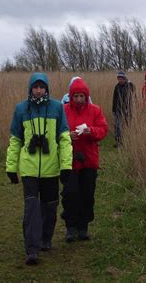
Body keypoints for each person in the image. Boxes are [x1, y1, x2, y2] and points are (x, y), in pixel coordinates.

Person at [5, 72, 72, 265]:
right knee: (32, 208)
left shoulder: (57, 108)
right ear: (30, 88)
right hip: (29, 169)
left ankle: (45, 238)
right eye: (36, 86)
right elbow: (16, 140)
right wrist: (11, 166)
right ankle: (32, 249)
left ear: (47, 88)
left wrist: (66, 165)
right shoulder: (21, 109)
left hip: (52, 168)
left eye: (42, 86)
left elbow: (64, 139)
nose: (39, 90)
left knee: (50, 207)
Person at [62, 78, 108, 242]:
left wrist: (91, 131)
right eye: (76, 96)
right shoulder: (64, 110)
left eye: (82, 96)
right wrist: (68, 136)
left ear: (86, 96)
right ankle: (71, 227)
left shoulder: (95, 110)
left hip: (89, 159)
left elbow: (103, 130)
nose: (79, 99)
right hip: (69, 160)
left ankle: (83, 227)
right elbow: (56, 131)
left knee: (87, 194)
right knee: (70, 194)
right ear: (71, 97)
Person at [112, 71, 135, 147]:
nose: (120, 80)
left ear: (124, 78)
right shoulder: (117, 87)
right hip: (118, 109)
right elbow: (114, 99)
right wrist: (114, 109)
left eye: (121, 78)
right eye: (118, 78)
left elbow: (133, 97)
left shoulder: (129, 86)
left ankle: (127, 141)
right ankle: (119, 142)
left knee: (127, 125)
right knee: (118, 126)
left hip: (127, 110)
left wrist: (129, 108)